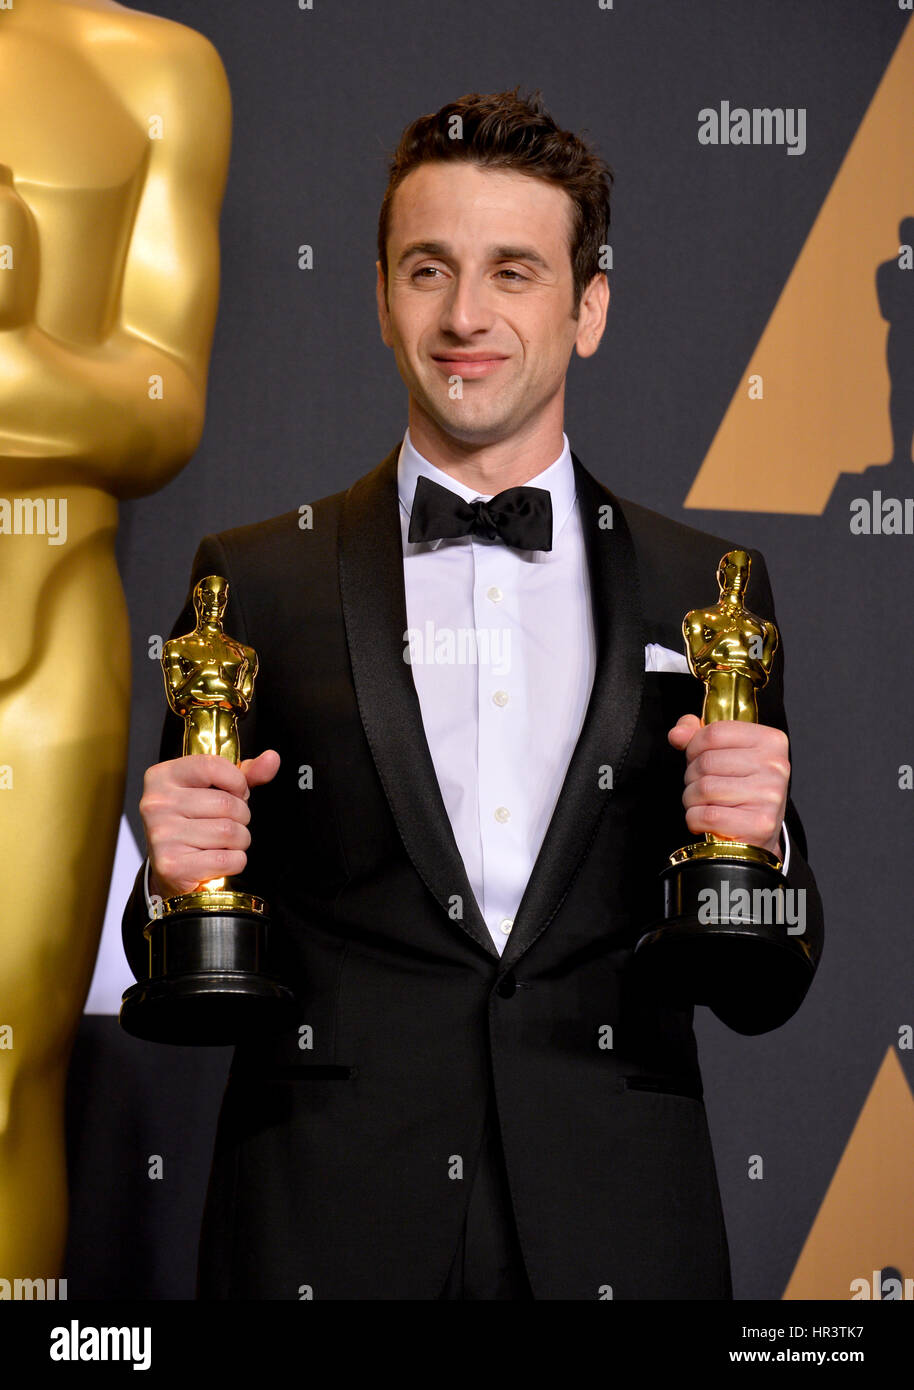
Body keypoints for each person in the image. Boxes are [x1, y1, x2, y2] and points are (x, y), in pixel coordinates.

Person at [121, 88, 824, 1300]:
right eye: (427, 269)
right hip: (324, 1227)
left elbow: (766, 988)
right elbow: (180, 965)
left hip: (620, 1226)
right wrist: (171, 881)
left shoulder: (708, 587)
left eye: (513, 271)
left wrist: (763, 856)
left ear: (586, 305)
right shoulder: (254, 580)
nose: (464, 316)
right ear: (380, 301)